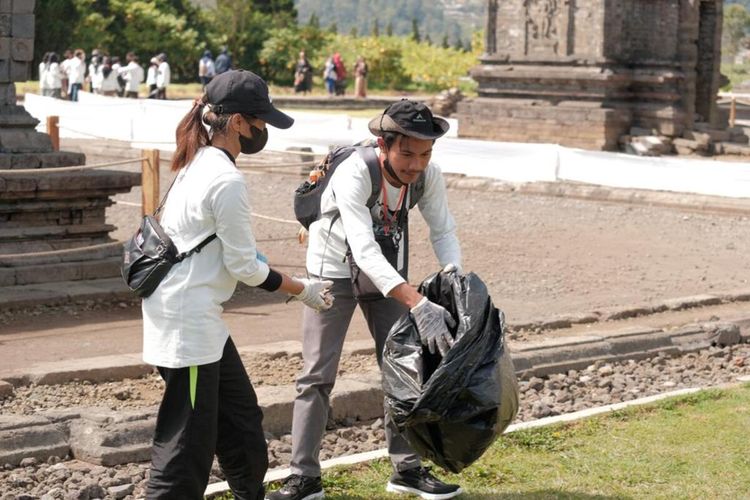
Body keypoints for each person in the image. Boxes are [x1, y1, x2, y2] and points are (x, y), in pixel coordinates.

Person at [142, 69, 335, 499]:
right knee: (185, 447)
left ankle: (251, 493)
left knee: (242, 420)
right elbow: (246, 269)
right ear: (237, 123)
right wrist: (303, 289)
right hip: (186, 324)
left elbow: (222, 250)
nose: (264, 130)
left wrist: (252, 262)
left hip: (200, 319)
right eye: (261, 121)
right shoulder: (225, 178)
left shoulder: (199, 163)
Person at [265, 99, 463, 500]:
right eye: (407, 153)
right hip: (333, 270)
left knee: (403, 368)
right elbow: (362, 247)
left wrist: (455, 276)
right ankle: (304, 477)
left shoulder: (428, 175)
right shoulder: (356, 171)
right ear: (383, 144)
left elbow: (442, 230)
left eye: (425, 154)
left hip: (388, 272)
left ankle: (406, 469)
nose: (415, 164)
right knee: (317, 375)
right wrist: (418, 302)